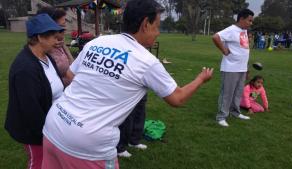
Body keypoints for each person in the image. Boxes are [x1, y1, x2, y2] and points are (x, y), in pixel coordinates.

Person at [41, 0, 213, 168]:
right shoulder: (146, 61)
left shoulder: (97, 42)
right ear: (146, 24)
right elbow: (177, 98)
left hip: (54, 124)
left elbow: (71, 74)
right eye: (157, 26)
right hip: (88, 145)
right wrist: (200, 79)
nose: (158, 32)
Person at [4, 14, 64, 169]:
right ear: (39, 37)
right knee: (38, 162)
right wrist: (47, 134)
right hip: (34, 131)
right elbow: (30, 111)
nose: (57, 39)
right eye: (52, 36)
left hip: (52, 125)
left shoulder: (47, 57)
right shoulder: (25, 69)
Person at [212, 9, 254, 127]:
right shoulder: (231, 30)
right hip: (230, 68)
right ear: (241, 19)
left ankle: (235, 112)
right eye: (249, 20)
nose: (251, 23)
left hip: (242, 68)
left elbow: (244, 50)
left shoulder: (244, 31)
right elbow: (215, 37)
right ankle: (221, 117)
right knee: (227, 93)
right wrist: (224, 50)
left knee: (238, 93)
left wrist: (247, 68)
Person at [37, 7, 74, 86]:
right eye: (61, 27)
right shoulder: (44, 49)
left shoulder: (60, 42)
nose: (64, 29)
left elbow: (71, 63)